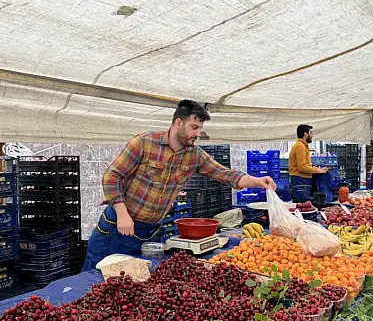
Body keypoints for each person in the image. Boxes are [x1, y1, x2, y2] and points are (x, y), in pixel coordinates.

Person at [82, 100, 276, 271]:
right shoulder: (144, 143)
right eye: (194, 127)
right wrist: (122, 214)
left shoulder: (194, 154)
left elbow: (224, 174)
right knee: (94, 279)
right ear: (178, 123)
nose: (198, 133)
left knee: (138, 284)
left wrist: (256, 181)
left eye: (200, 128)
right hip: (118, 225)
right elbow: (112, 176)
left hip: (150, 232)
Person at [288, 125, 327, 203]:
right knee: (304, 204)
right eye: (310, 133)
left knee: (301, 205)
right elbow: (302, 167)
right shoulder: (300, 146)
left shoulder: (301, 146)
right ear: (305, 134)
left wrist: (313, 168)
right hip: (301, 181)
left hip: (300, 181)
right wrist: (317, 170)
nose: (312, 135)